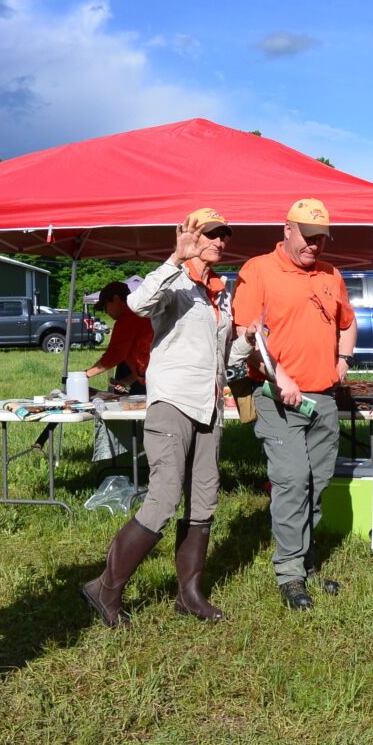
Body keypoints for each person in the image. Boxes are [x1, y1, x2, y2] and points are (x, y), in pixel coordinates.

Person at [81, 208, 242, 625]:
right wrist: (175, 258)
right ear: (192, 237)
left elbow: (223, 355)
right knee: (164, 499)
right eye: (211, 234)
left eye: (224, 234)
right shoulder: (175, 283)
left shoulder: (221, 293)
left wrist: (249, 340)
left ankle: (189, 595)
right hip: (172, 403)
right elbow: (137, 303)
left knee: (204, 501)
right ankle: (105, 588)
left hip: (209, 405)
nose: (220, 241)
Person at [232, 198, 358, 610]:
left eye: (321, 238)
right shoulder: (258, 270)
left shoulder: (330, 274)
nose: (314, 245)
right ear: (287, 230)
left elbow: (348, 322)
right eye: (308, 236)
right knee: (292, 480)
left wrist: (344, 357)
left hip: (322, 400)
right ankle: (289, 574)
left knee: (316, 485)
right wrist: (279, 375)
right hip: (277, 397)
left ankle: (305, 563)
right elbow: (247, 335)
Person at [84, 280, 153, 394]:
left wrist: (85, 375)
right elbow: (148, 361)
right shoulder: (143, 314)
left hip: (158, 381)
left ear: (116, 299)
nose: (106, 312)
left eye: (105, 307)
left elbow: (114, 355)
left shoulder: (128, 319)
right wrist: (128, 380)